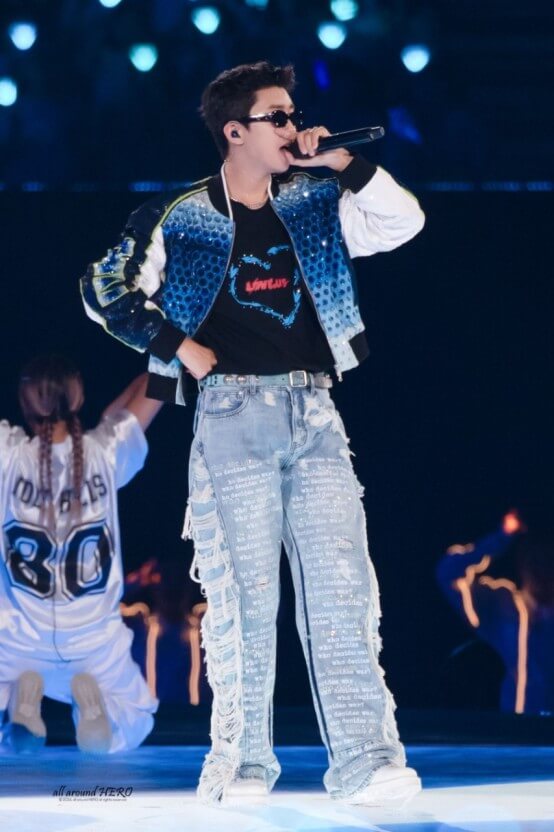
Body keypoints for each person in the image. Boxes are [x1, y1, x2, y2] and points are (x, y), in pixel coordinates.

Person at [81, 61, 425, 804]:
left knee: (342, 589)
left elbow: (404, 222)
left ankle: (367, 761)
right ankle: (240, 763)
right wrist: (175, 344)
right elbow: (103, 288)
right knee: (245, 596)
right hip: (232, 415)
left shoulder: (314, 202)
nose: (293, 126)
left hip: (315, 411)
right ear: (235, 131)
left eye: (294, 114)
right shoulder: (180, 215)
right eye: (279, 116)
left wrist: (343, 162)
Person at [0, 356, 162, 753]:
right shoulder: (106, 452)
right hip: (95, 642)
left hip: (16, 641)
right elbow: (158, 382)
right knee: (136, 720)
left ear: (24, 401)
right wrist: (170, 348)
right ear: (78, 399)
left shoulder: (6, 456)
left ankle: (13, 705)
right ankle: (96, 706)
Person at [436, 510, 554, 716]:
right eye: (534, 560)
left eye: (548, 561)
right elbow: (448, 573)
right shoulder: (503, 605)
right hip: (514, 730)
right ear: (522, 563)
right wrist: (501, 538)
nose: (541, 571)